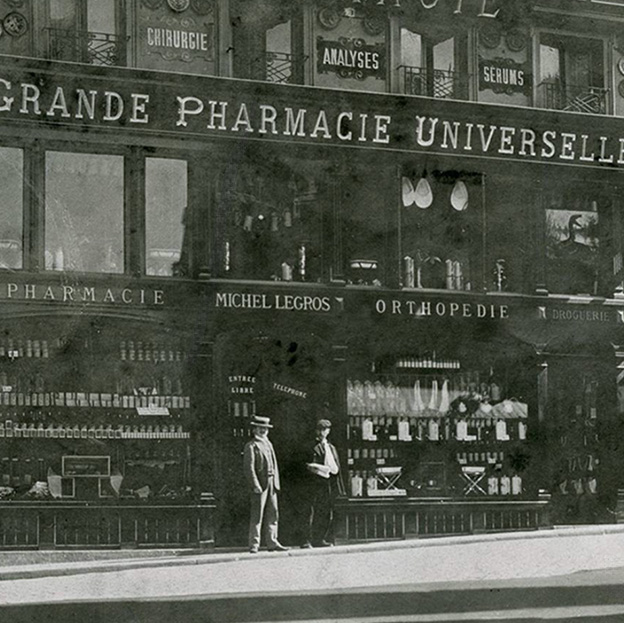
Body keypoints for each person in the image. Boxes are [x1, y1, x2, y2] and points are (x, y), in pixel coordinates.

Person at [243, 415, 288, 553]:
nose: (263, 431)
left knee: (273, 513)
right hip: (260, 484)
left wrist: (276, 483)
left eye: (265, 428)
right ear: (254, 430)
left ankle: (272, 542)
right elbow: (249, 468)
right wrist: (255, 484)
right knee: (257, 514)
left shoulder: (269, 444)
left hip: (272, 482)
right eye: (260, 428)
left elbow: (274, 464)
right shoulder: (251, 446)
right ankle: (254, 544)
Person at [302, 419, 345, 548]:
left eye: (324, 430)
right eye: (319, 430)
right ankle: (306, 540)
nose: (321, 432)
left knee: (325, 511)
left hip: (327, 484)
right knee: (311, 511)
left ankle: (319, 539)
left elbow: (336, 467)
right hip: (314, 483)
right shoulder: (310, 446)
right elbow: (306, 464)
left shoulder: (331, 447)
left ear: (328, 431)